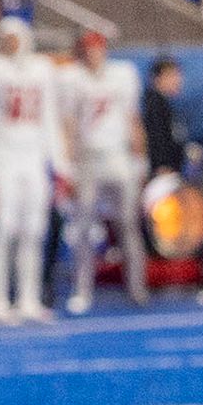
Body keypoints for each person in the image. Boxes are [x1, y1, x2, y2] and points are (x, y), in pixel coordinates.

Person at [0, 15, 61, 324]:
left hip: (33, 156)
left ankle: (29, 299)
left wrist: (60, 165)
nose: (10, 44)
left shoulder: (42, 69)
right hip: (3, 156)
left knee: (34, 229)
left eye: (15, 38)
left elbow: (50, 119)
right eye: (5, 38)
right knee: (3, 227)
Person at [57, 26, 149, 315]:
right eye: (89, 48)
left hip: (118, 157)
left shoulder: (123, 74)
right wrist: (68, 165)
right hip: (87, 158)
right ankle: (82, 290)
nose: (94, 54)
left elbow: (133, 119)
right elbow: (69, 125)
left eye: (98, 48)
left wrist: (140, 158)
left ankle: (137, 287)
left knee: (128, 226)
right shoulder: (72, 79)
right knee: (83, 228)